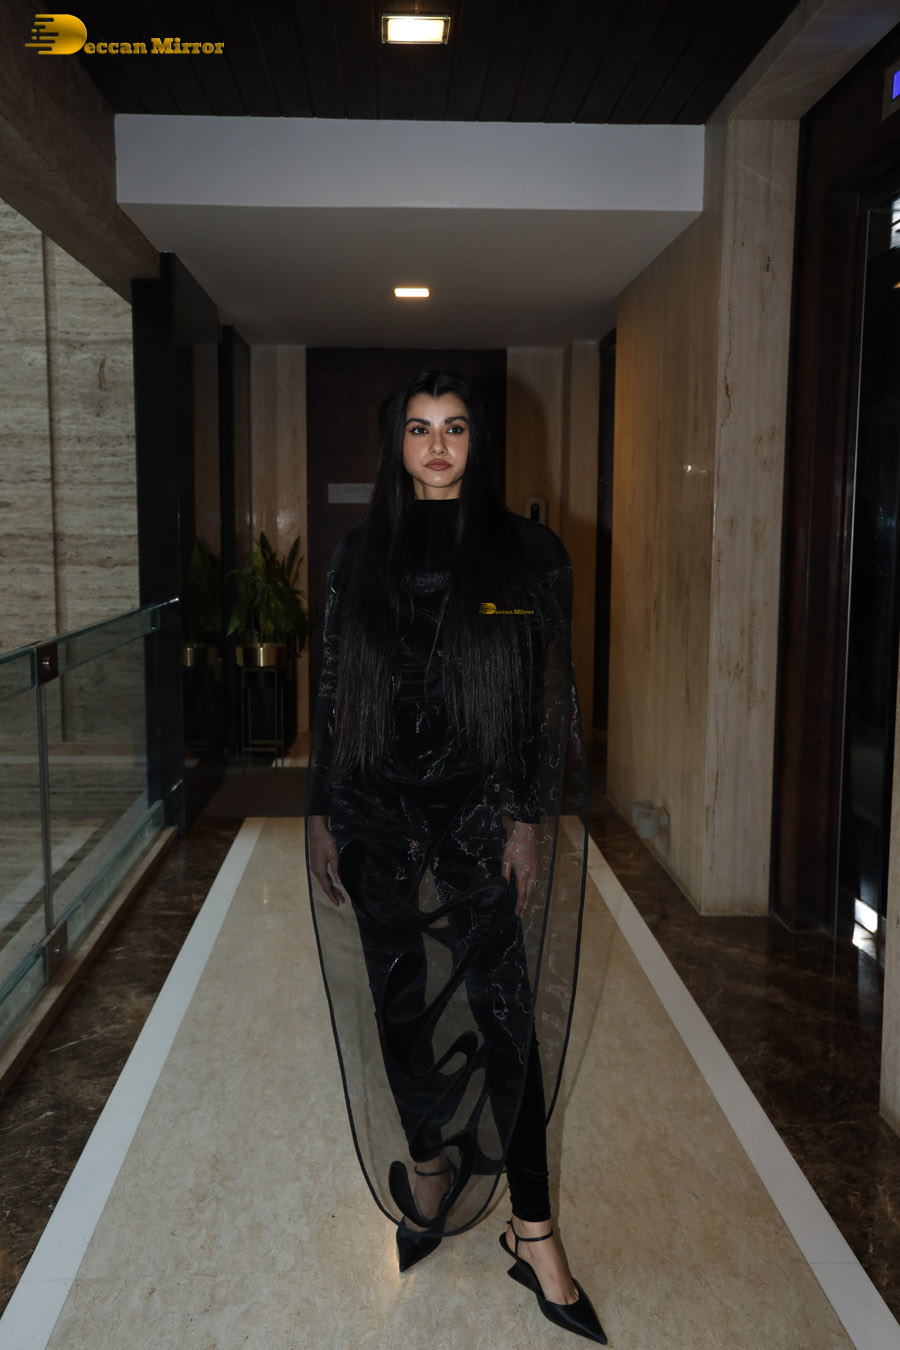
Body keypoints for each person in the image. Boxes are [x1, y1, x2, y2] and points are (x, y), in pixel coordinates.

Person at [305, 370, 605, 1344]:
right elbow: (333, 690)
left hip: (479, 813)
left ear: (478, 442)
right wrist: (322, 812)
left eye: (456, 428)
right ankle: (430, 1167)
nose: (438, 445)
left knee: (506, 1015)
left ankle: (535, 1231)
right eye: (420, 429)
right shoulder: (359, 555)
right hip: (375, 811)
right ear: (396, 444)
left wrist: (526, 820)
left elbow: (544, 702)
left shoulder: (525, 555)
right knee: (399, 999)